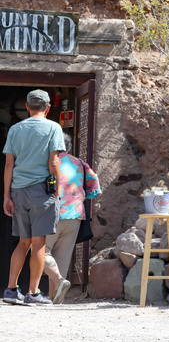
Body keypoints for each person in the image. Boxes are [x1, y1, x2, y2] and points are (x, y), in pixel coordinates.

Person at [2, 89, 65, 306]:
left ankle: (11, 290)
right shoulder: (53, 127)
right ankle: (33, 292)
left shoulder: (15, 129)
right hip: (42, 191)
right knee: (39, 243)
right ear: (48, 108)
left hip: (18, 190)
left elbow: (9, 164)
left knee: (23, 242)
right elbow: (54, 162)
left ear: (27, 107)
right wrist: (57, 191)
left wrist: (6, 196)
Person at [44, 133, 101, 304]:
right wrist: (77, 196)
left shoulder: (46, 162)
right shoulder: (80, 164)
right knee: (61, 258)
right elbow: (95, 189)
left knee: (40, 252)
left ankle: (59, 281)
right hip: (74, 215)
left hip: (50, 214)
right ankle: (54, 300)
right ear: (68, 146)